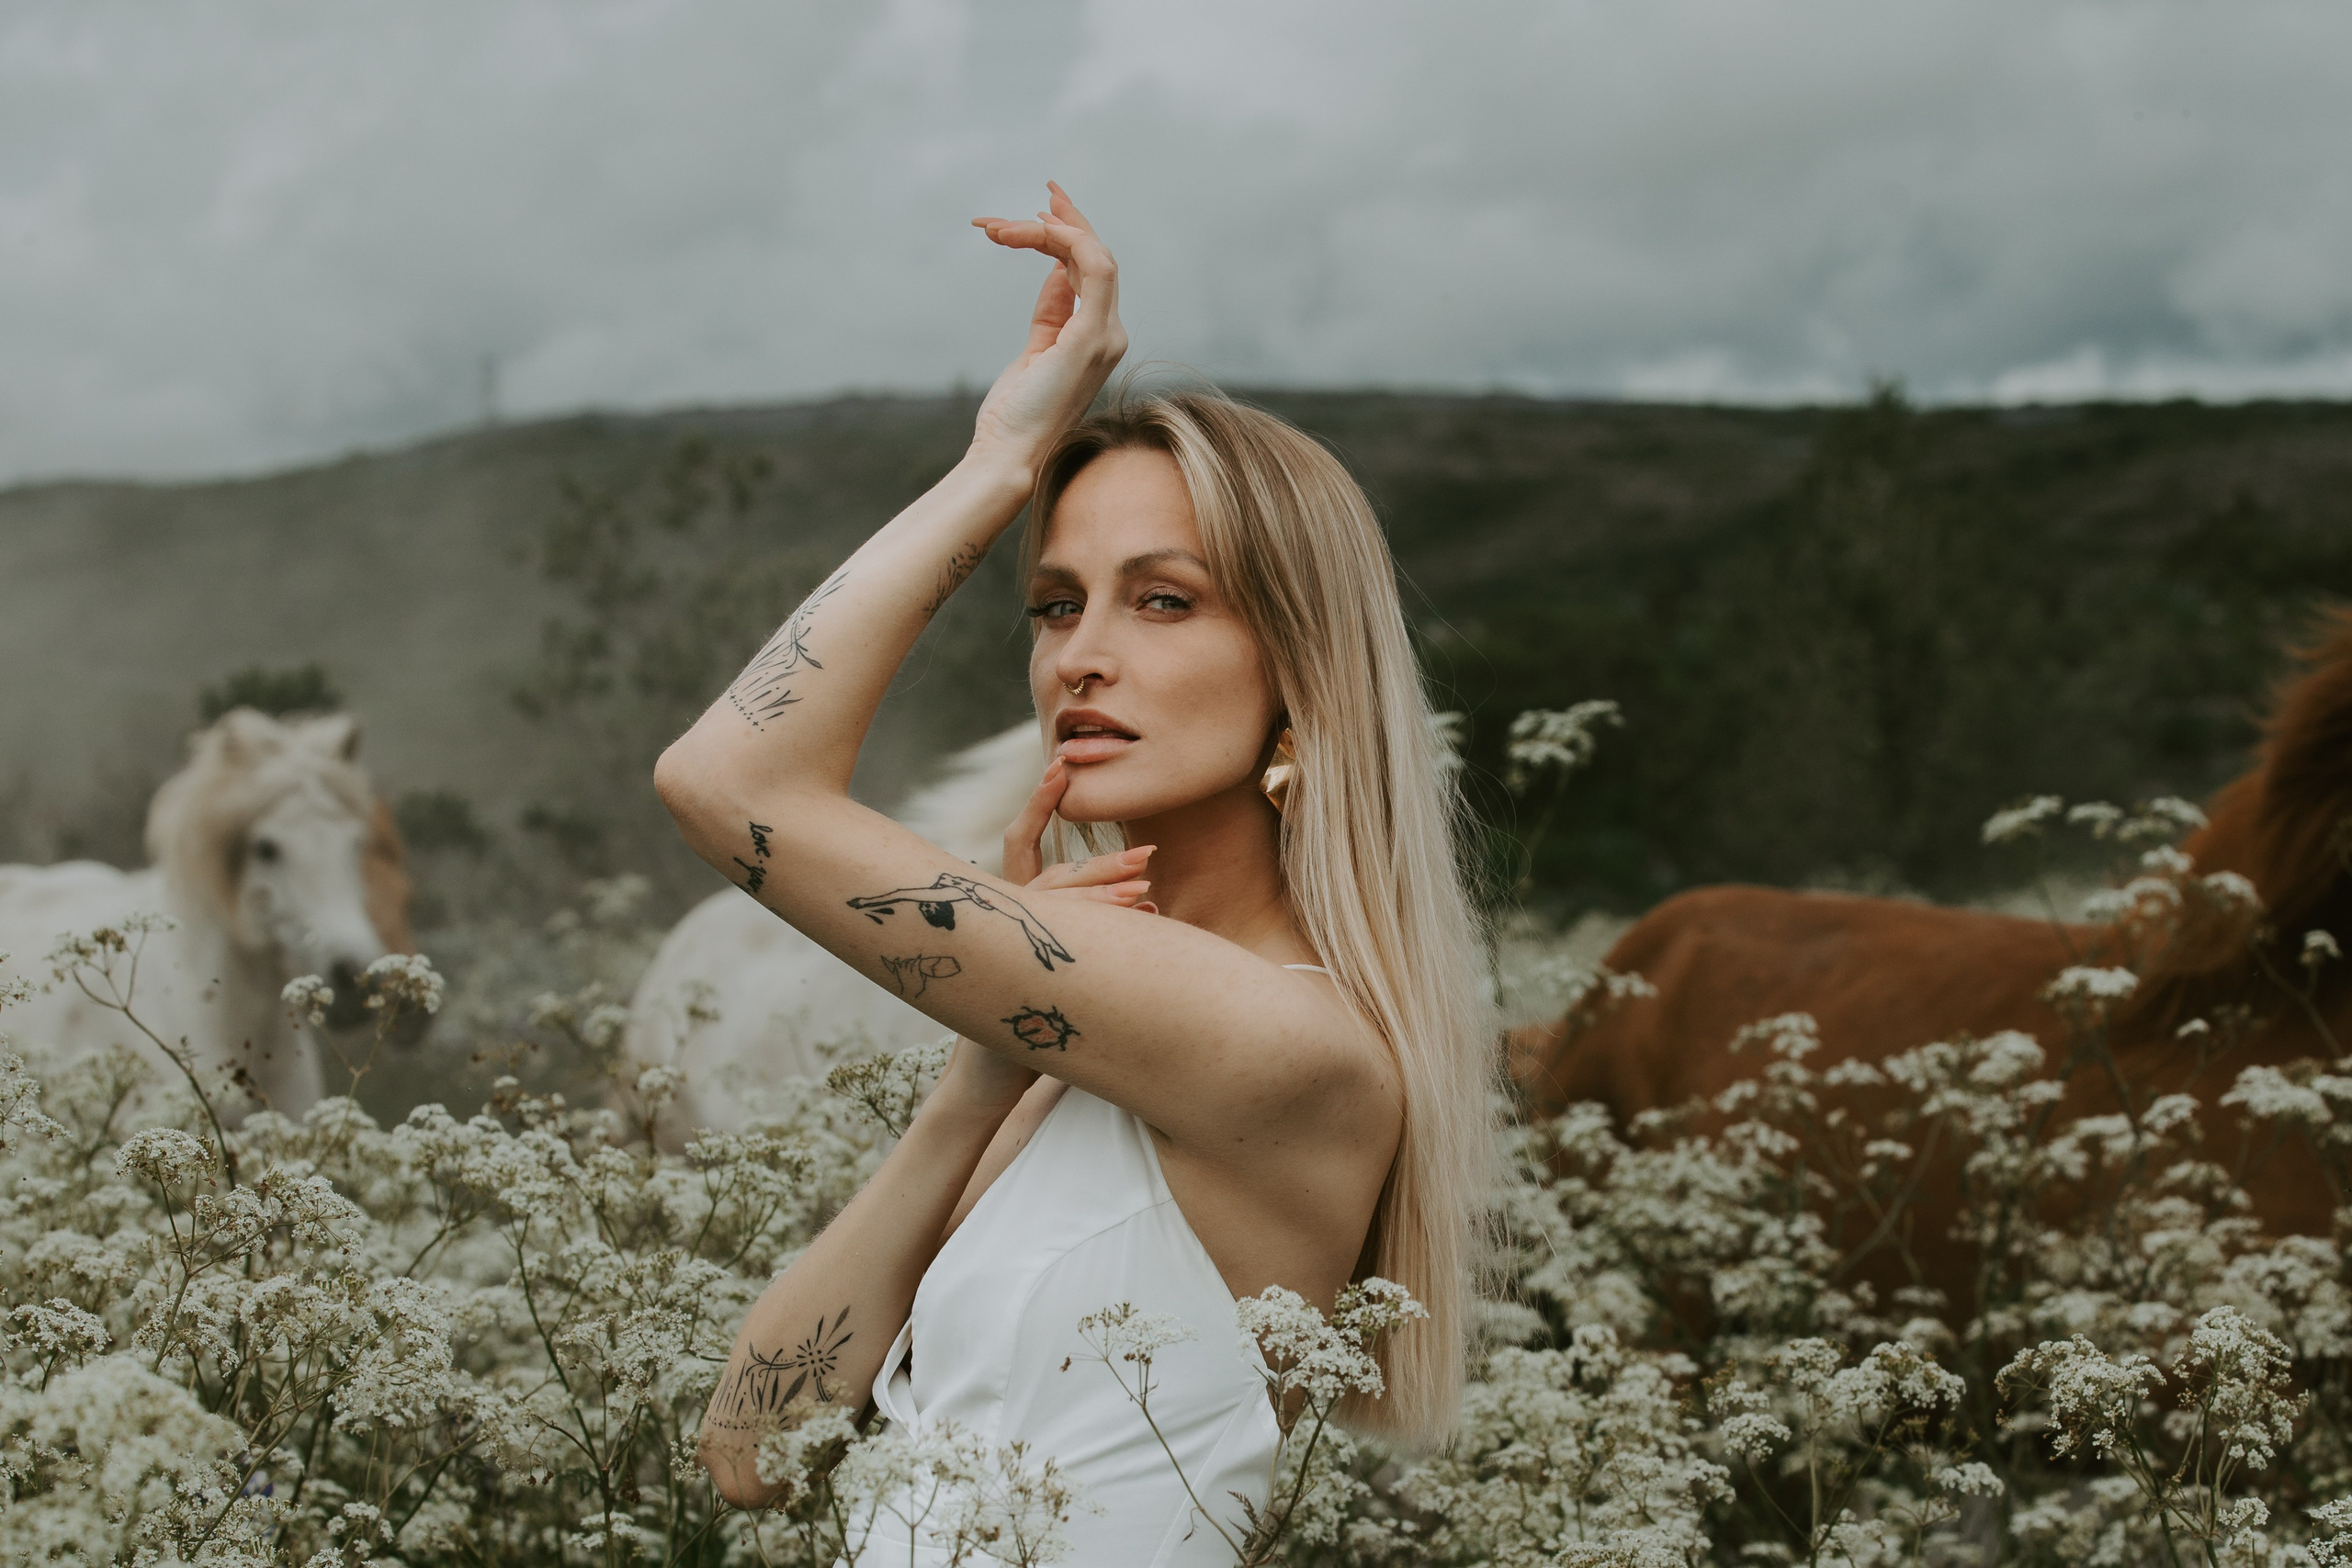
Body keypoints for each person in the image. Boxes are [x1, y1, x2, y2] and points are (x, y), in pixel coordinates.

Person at [658, 183, 1494, 1563]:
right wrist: (981, 1074)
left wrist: (1004, 457)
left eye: (1163, 600)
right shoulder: (1078, 1046)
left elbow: (725, 780)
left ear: (1301, 668)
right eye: (1056, 603)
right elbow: (749, 1452)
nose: (1079, 655)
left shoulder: (1286, 1041)